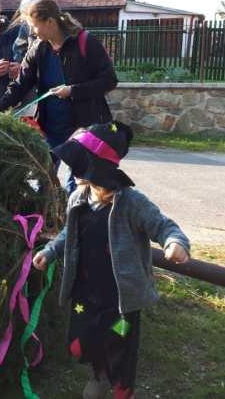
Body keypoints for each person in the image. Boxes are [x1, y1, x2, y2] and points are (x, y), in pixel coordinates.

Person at [33, 121, 190, 399]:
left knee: (119, 342)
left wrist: (174, 242)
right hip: (85, 292)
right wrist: (50, 251)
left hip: (120, 298)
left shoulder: (130, 202)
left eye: (75, 164)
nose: (70, 170)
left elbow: (163, 225)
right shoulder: (78, 198)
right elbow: (70, 233)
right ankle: (98, 373)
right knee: (82, 343)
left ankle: (121, 386)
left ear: (92, 166)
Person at [0, 0, 118, 193]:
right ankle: (47, 222)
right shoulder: (38, 48)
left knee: (77, 188)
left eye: (34, 26)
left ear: (50, 22)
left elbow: (109, 80)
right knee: (42, 182)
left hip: (82, 129)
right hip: (50, 129)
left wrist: (72, 91)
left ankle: (72, 222)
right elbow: (20, 84)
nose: (33, 32)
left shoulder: (85, 42)